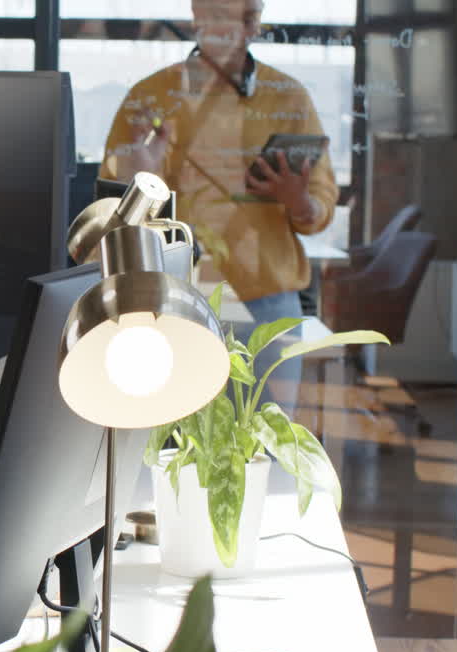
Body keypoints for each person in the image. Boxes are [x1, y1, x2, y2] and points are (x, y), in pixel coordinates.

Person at [99, 0, 337, 413]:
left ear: (253, 25)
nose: (221, 25)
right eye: (212, 13)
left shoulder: (289, 97)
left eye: (234, 15)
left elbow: (319, 210)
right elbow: (110, 212)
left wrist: (297, 200)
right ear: (196, 17)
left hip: (267, 302)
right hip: (174, 296)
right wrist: (140, 178)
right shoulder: (150, 97)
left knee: (267, 449)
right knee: (170, 442)